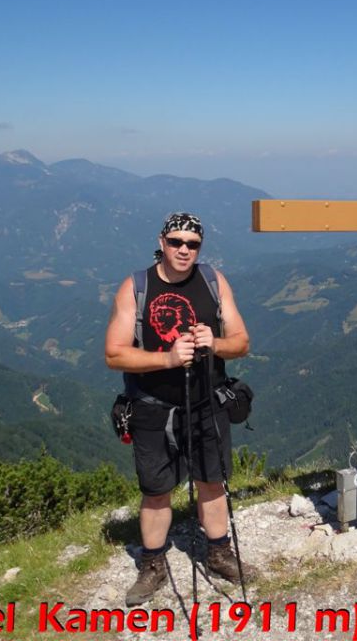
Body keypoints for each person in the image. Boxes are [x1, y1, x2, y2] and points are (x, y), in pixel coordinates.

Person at [105, 212, 251, 606]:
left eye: (192, 244)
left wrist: (215, 345)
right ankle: (153, 565)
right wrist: (168, 359)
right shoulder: (136, 287)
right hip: (153, 408)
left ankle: (218, 552)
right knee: (156, 491)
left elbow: (241, 342)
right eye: (176, 242)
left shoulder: (214, 282)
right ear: (162, 242)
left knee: (212, 481)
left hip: (207, 401)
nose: (184, 249)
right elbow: (114, 354)